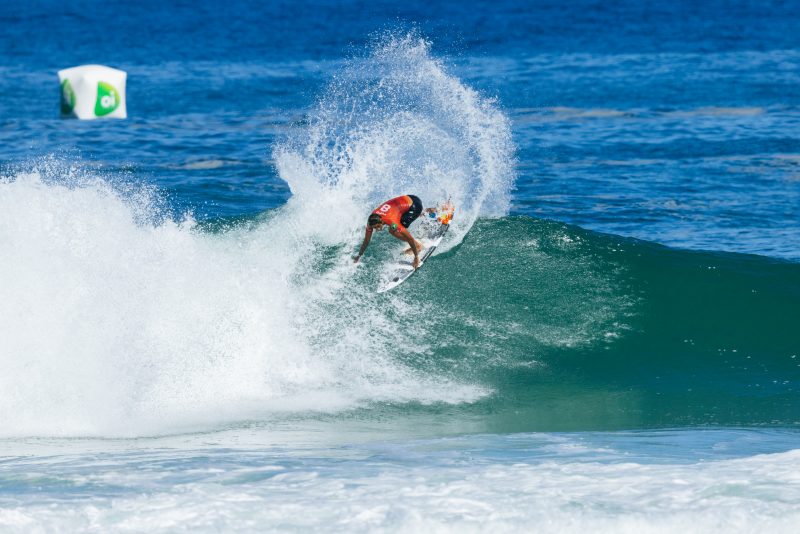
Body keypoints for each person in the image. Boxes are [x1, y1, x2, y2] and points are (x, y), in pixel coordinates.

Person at [353, 194, 427, 269]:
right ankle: (426, 212)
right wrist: (359, 255)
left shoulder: (391, 221)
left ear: (382, 221)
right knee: (392, 229)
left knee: (393, 230)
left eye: (378, 226)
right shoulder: (371, 222)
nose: (377, 229)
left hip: (414, 206)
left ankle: (417, 246)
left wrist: (416, 257)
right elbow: (366, 240)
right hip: (408, 199)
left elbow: (409, 238)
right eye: (374, 228)